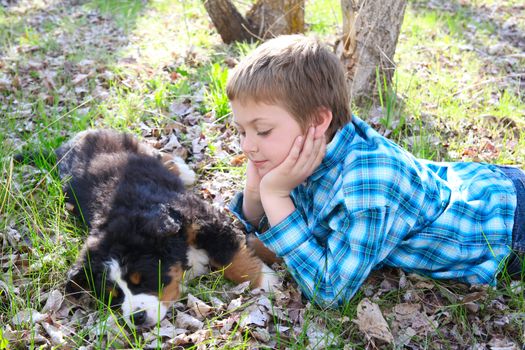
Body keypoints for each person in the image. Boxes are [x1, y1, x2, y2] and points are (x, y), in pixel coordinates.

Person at [225, 34, 524, 307]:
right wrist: (255, 194)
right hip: (477, 188)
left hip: (508, 231)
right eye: (241, 131)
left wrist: (274, 196)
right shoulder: (307, 147)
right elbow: (276, 231)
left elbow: (329, 292)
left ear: (318, 121)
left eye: (262, 130)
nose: (247, 146)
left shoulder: (367, 183)